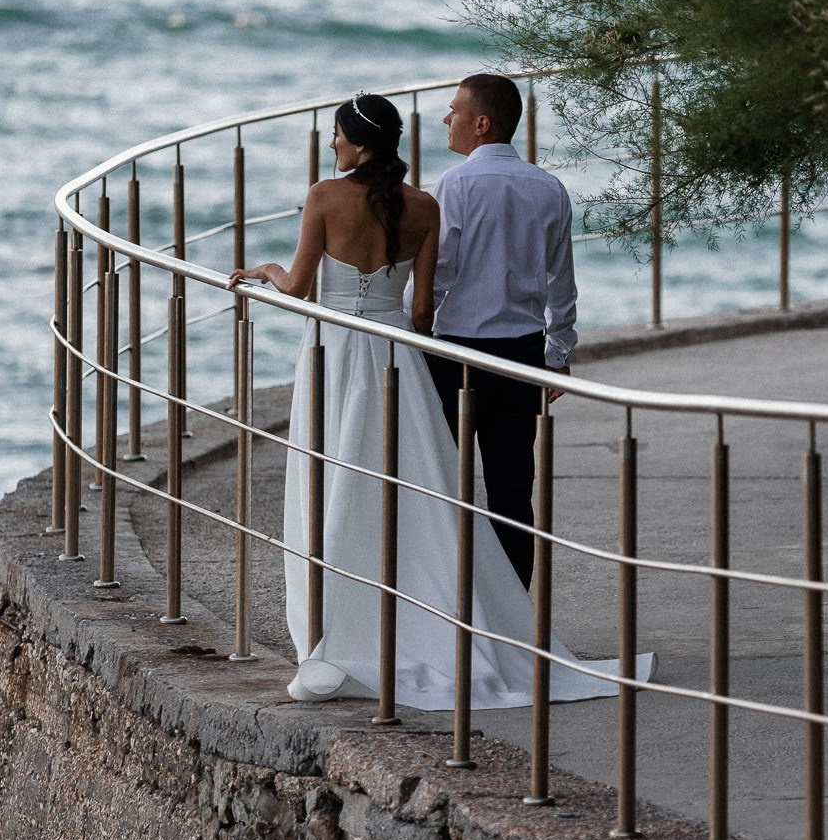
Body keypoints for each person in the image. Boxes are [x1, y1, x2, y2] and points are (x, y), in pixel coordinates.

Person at [226, 91, 644, 709]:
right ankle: (483, 618)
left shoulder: (334, 195)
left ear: (358, 141)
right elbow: (423, 308)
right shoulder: (432, 202)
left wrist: (264, 269)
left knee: (338, 479)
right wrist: (551, 349)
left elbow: (302, 286)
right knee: (457, 491)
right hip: (423, 352)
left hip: (344, 352)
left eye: (337, 134)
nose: (332, 144)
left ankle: (335, 623)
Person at [421, 74, 577, 587]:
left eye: (454, 110)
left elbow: (437, 274)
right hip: (523, 355)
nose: (446, 119)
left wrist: (404, 329)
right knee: (513, 491)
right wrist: (557, 353)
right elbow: (562, 281)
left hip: (457, 355)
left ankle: (456, 603)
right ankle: (512, 613)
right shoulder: (548, 187)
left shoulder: (453, 185)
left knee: (445, 482)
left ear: (480, 124)